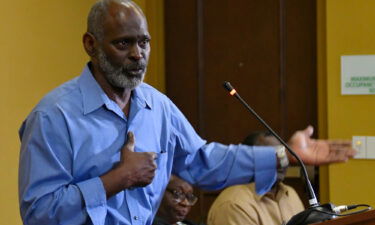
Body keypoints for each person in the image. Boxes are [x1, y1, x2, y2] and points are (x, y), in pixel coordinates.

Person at [18, 0, 355, 224]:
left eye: (144, 42)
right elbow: (38, 212)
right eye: (123, 44)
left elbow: (204, 161)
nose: (138, 55)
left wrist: (286, 156)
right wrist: (116, 179)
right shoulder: (53, 117)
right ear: (91, 44)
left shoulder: (157, 106)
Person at [207, 131, 305, 225]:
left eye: (282, 154)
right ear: (251, 160)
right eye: (272, 156)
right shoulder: (234, 203)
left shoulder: (291, 193)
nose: (282, 162)